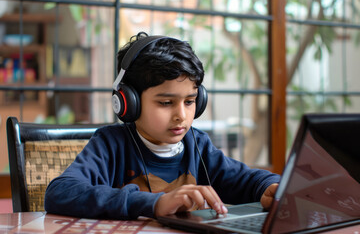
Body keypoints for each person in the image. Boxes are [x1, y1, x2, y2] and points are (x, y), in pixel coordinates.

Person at [44, 32, 280, 220]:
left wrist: (268, 187)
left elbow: (242, 179)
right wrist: (154, 203)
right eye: (166, 102)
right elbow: (61, 192)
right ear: (128, 102)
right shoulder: (110, 144)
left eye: (189, 101)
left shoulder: (197, 144)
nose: (181, 115)